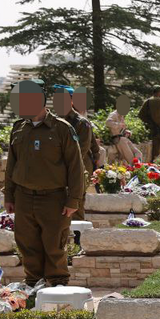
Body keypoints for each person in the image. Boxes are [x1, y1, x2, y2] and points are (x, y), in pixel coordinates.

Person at [3, 80, 85, 287]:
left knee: (54, 246)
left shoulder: (62, 128)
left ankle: (57, 287)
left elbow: (75, 167)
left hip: (53, 199)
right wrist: (9, 196)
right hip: (23, 197)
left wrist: (73, 200)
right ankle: (33, 287)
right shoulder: (18, 128)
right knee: (27, 245)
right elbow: (12, 165)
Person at [53, 85, 98, 222]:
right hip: (59, 171)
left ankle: (77, 235)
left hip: (78, 169)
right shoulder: (53, 122)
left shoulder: (81, 123)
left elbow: (81, 151)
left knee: (75, 208)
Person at [137, 85, 160, 161]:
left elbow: (140, 115)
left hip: (153, 128)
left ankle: (154, 165)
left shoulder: (148, 101)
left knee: (155, 149)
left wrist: (149, 122)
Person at [104, 95, 142, 164]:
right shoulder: (114, 114)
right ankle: (136, 168)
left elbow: (122, 129)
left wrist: (127, 131)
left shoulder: (122, 116)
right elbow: (108, 123)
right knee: (130, 158)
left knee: (138, 153)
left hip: (123, 138)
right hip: (118, 139)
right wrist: (119, 124)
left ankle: (139, 166)